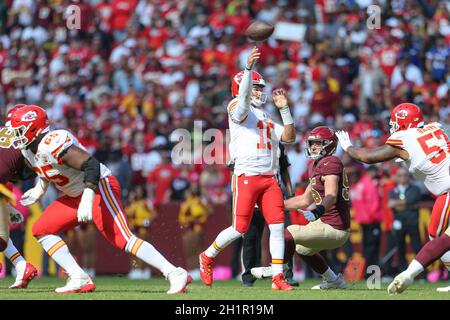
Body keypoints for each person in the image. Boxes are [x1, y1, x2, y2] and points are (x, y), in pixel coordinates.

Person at [7, 105, 190, 294]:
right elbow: (47, 170)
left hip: (99, 187)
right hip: (75, 194)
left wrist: (87, 198)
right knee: (42, 229)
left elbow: (91, 166)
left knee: (123, 239)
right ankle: (79, 277)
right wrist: (39, 189)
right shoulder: (29, 150)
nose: (16, 136)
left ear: (34, 128)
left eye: (19, 130)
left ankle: (174, 273)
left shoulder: (53, 142)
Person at [198, 46, 296, 290]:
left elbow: (289, 136)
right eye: (256, 87)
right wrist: (248, 68)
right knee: (239, 228)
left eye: (261, 87)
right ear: (243, 87)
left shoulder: (264, 115)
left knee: (276, 226)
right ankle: (207, 256)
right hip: (246, 175)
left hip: (269, 178)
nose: (260, 91)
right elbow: (241, 104)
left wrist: (285, 109)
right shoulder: (235, 107)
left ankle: (277, 278)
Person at [336, 102, 450, 294]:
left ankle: (410, 273)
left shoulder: (403, 138)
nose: (393, 125)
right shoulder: (435, 128)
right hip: (443, 192)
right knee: (435, 235)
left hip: (447, 189)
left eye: (396, 121)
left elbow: (368, 157)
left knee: (440, 239)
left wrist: (348, 147)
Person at [251, 126, 351, 289]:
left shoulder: (331, 162)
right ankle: (334, 280)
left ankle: (277, 269)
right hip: (326, 223)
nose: (313, 147)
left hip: (334, 226)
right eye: (312, 143)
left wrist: (318, 211)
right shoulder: (317, 164)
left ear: (330, 145)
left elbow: (331, 195)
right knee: (303, 250)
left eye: (318, 144)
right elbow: (304, 200)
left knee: (288, 233)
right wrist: (272, 206)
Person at [241, 143, 298, 287]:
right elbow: (234, 171)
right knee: (251, 239)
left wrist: (290, 194)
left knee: (285, 236)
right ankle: (248, 276)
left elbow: (284, 169)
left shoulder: (276, 143)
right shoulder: (244, 141)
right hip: (252, 196)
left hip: (276, 196)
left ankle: (286, 273)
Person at [0, 105, 38, 289]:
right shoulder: (26, 140)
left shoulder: (7, 135)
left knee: (1, 238)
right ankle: (22, 266)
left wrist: (7, 207)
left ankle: (21, 266)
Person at [387, 166, 422, 273]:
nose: (402, 177)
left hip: (412, 222)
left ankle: (422, 274)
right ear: (396, 177)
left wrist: (398, 203)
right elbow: (390, 204)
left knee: (417, 248)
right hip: (399, 223)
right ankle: (403, 272)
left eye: (405, 175)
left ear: (408, 176)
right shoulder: (393, 190)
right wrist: (407, 204)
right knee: (400, 248)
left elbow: (411, 200)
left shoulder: (415, 188)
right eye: (400, 175)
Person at [349, 166, 383, 272]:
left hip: (363, 220)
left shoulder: (356, 186)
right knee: (372, 248)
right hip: (371, 220)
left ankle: (367, 272)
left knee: (367, 247)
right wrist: (374, 217)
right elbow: (374, 203)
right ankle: (371, 273)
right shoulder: (368, 184)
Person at [179, 184, 210, 280]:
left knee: (197, 249)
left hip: (197, 228)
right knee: (189, 249)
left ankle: (198, 269)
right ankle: (192, 269)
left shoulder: (200, 201)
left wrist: (198, 219)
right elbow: (181, 217)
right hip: (188, 229)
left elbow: (208, 211)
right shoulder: (187, 202)